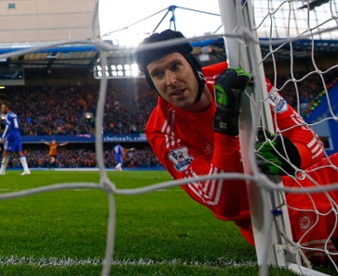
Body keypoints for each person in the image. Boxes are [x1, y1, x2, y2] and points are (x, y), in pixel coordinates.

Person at [134, 29, 338, 263]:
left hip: (309, 178)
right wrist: (225, 124)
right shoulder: (161, 129)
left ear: (192, 64)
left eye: (176, 66)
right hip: (270, 209)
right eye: (158, 74)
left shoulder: (241, 77)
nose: (170, 80)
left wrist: (292, 156)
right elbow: (222, 204)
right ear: (152, 83)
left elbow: (309, 138)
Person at [0, 102, 30, 176]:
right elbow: (19, 126)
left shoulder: (8, 116)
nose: (2, 109)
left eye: (3, 108)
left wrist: (3, 137)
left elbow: (7, 127)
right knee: (19, 152)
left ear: (7, 108)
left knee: (6, 151)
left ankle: (2, 170)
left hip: (11, 135)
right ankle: (26, 170)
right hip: (17, 135)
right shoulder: (15, 115)